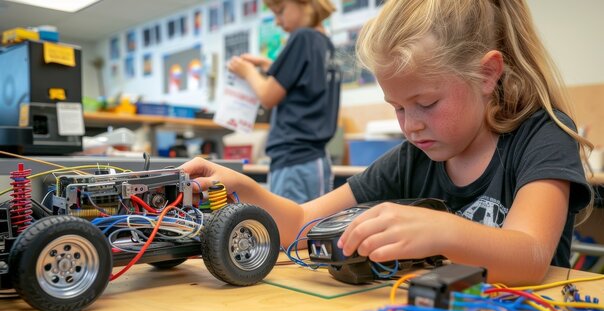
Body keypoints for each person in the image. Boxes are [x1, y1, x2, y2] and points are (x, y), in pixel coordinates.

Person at [183, 0, 593, 285]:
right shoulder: (412, 158)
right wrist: (246, 190)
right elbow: (301, 226)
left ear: (487, 74)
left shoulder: (543, 135)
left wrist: (442, 230)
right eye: (397, 107)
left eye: (426, 103)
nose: (410, 126)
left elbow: (531, 256)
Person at [226, 0, 341, 204]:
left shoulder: (301, 37)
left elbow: (268, 97)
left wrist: (248, 72)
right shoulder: (324, 43)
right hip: (311, 160)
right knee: (308, 228)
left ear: (304, 3)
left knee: (290, 231)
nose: (278, 22)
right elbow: (303, 78)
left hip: (295, 161)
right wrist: (267, 64)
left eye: (280, 12)